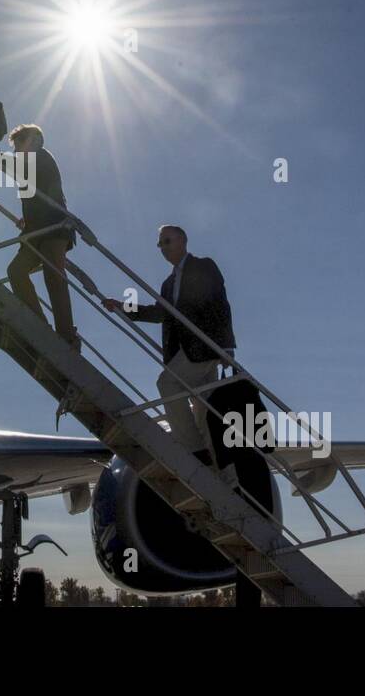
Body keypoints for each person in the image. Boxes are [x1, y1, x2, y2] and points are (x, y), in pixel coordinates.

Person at [103, 225, 273, 607]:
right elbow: (162, 314)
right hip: (193, 354)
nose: (163, 248)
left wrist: (225, 344)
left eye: (168, 241)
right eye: (160, 244)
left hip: (206, 350)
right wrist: (123, 308)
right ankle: (221, 467)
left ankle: (195, 452)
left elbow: (216, 303)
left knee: (168, 384)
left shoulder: (203, 268)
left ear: (183, 242)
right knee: (204, 409)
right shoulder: (167, 284)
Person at [4, 124, 79, 350]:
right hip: (35, 230)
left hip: (54, 226)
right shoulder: (28, 162)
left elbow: (22, 171)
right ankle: (41, 326)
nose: (18, 151)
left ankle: (67, 337)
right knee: (15, 271)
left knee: (53, 276)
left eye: (20, 145)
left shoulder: (42, 158)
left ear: (34, 141)